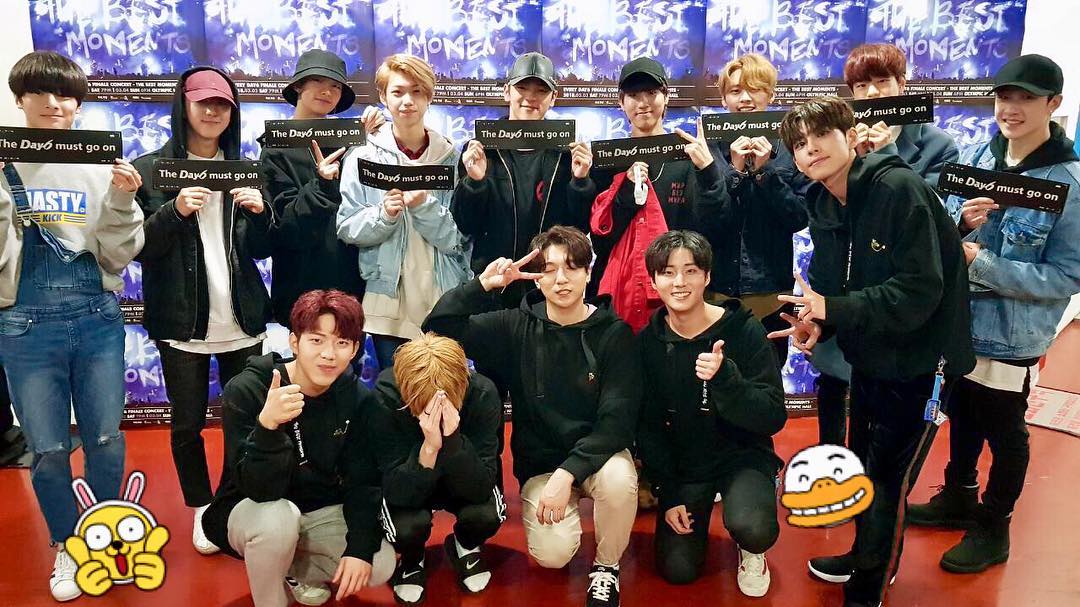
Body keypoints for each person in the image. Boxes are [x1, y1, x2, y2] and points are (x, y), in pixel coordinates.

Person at [772, 97, 975, 607]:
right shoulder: (824, 201)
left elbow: (920, 289)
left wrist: (835, 308)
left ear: (849, 135)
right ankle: (865, 557)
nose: (811, 149)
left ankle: (869, 588)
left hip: (924, 362)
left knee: (888, 480)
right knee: (864, 467)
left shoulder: (897, 188)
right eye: (799, 144)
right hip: (870, 357)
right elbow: (829, 282)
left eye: (821, 135)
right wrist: (816, 323)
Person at [908, 54, 1080, 574]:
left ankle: (994, 525)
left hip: (1012, 336)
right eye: (1005, 97)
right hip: (960, 324)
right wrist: (960, 225)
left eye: (1027, 98)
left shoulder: (1069, 185)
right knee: (962, 411)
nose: (1012, 108)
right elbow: (943, 228)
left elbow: (1067, 277)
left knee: (1005, 431)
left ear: (1053, 104)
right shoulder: (979, 156)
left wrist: (982, 263)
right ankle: (959, 494)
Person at [423, 226, 641, 607]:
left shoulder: (614, 334)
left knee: (620, 479)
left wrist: (568, 473)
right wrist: (483, 285)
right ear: (536, 279)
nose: (561, 279)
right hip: (542, 464)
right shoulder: (515, 326)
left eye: (572, 267)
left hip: (599, 458)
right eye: (549, 269)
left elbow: (617, 422)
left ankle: (606, 567)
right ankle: (564, 520)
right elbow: (438, 327)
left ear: (589, 272)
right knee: (553, 555)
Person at [0, 50, 144, 601]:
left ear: (79, 103)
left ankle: (107, 537)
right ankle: (67, 543)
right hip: (24, 327)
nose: (54, 103)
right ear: (20, 99)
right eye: (40, 92)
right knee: (49, 447)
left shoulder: (99, 162)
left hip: (97, 320)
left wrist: (123, 200)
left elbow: (117, 254)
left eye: (65, 94)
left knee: (105, 438)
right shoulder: (6, 162)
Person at [133, 66, 271, 555]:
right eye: (203, 101)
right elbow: (139, 247)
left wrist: (261, 213)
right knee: (187, 425)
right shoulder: (152, 169)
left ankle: (231, 502)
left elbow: (264, 248)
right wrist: (174, 211)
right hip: (181, 321)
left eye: (223, 104)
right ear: (184, 106)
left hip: (242, 319)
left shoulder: (244, 169)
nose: (213, 111)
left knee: (244, 421)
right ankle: (200, 507)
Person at [202, 289, 395, 607]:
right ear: (294, 342)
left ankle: (294, 570)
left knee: (380, 563)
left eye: (341, 343)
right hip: (251, 509)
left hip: (317, 510)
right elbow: (258, 489)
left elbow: (363, 480)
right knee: (278, 520)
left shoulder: (358, 399)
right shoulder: (249, 389)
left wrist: (359, 550)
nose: (329, 354)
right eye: (316, 340)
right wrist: (268, 427)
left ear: (354, 349)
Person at [814, 42, 962, 446]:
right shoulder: (839, 140)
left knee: (886, 434)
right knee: (835, 390)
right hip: (849, 293)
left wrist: (887, 154)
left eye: (882, 81)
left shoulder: (938, 145)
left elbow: (930, 218)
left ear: (902, 84)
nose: (873, 93)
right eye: (862, 86)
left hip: (899, 307)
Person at [637, 230, 786, 597]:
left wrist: (727, 381)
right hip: (686, 466)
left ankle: (751, 548)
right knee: (678, 569)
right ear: (654, 281)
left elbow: (772, 415)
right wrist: (667, 491)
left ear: (706, 276)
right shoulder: (647, 344)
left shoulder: (744, 330)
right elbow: (647, 427)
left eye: (690, 271)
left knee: (754, 528)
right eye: (668, 272)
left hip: (742, 456)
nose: (679, 282)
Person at [337, 54, 471, 369]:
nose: (407, 101)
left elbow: (459, 240)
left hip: (443, 299)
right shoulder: (362, 156)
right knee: (393, 389)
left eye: (417, 91)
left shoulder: (452, 158)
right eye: (397, 92)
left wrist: (424, 207)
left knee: (445, 389)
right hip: (386, 301)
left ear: (429, 97)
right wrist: (384, 215)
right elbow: (347, 226)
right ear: (383, 97)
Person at [589, 57, 728, 333]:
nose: (643, 103)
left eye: (651, 93)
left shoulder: (691, 154)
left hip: (678, 296)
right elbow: (599, 239)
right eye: (633, 95)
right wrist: (624, 192)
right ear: (621, 102)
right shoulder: (606, 159)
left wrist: (708, 171)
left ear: (666, 98)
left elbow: (714, 226)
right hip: (618, 300)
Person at [454, 52, 596, 308]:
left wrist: (581, 183)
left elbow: (581, 228)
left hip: (550, 284)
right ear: (506, 92)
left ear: (553, 97)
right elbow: (465, 224)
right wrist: (475, 183)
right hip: (495, 280)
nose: (531, 97)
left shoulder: (568, 153)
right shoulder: (481, 150)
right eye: (522, 88)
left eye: (541, 90)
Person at [373, 333, 505, 604]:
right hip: (411, 479)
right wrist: (429, 449)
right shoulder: (386, 395)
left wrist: (453, 439)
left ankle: (465, 545)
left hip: (464, 477)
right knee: (405, 527)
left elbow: (482, 486)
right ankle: (412, 559)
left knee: (486, 516)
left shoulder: (483, 393)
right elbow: (395, 491)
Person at [261, 49, 383, 328]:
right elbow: (283, 228)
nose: (327, 91)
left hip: (351, 284)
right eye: (317, 81)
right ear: (298, 86)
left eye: (336, 86)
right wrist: (322, 185)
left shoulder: (352, 141)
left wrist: (373, 136)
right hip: (300, 288)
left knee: (348, 350)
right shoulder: (274, 147)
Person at [706, 54, 808, 365]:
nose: (745, 99)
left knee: (768, 378)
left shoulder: (791, 149)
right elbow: (705, 221)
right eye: (736, 91)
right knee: (715, 378)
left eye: (755, 89)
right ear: (723, 98)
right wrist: (735, 173)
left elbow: (799, 218)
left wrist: (766, 174)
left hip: (771, 294)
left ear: (771, 95)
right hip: (716, 292)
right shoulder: (708, 149)